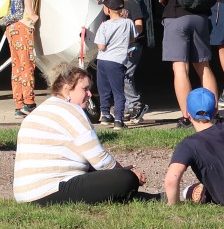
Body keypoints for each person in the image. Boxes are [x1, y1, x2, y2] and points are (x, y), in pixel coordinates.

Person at [13, 66, 148, 205]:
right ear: (67, 89)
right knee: (125, 179)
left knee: (106, 177)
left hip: (24, 194)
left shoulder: (41, 110)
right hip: (49, 190)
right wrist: (124, 172)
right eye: (85, 89)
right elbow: (100, 160)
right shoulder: (71, 110)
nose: (89, 94)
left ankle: (138, 197)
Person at [8, 0, 58, 119]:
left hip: (12, 26)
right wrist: (31, 13)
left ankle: (19, 104)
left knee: (17, 67)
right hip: (24, 25)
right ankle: (29, 103)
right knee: (27, 65)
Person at [111, 0, 149, 124]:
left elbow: (139, 25)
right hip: (123, 46)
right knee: (122, 74)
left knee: (126, 74)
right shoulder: (120, 1)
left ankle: (136, 104)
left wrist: (131, 37)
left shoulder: (134, 3)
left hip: (133, 45)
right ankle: (128, 105)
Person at [93, 0, 136, 127]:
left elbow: (101, 46)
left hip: (102, 61)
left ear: (108, 9)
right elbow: (133, 38)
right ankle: (118, 119)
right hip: (117, 62)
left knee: (104, 90)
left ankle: (105, 115)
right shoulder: (128, 23)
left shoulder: (104, 25)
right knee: (118, 92)